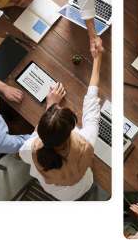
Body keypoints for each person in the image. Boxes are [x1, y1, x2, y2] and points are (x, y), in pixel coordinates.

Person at [19, 50, 107, 200]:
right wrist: (97, 59)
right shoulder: (85, 141)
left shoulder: (28, 148)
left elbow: (36, 138)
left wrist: (50, 106)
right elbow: (91, 103)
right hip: (83, 186)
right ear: (71, 131)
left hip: (59, 195)